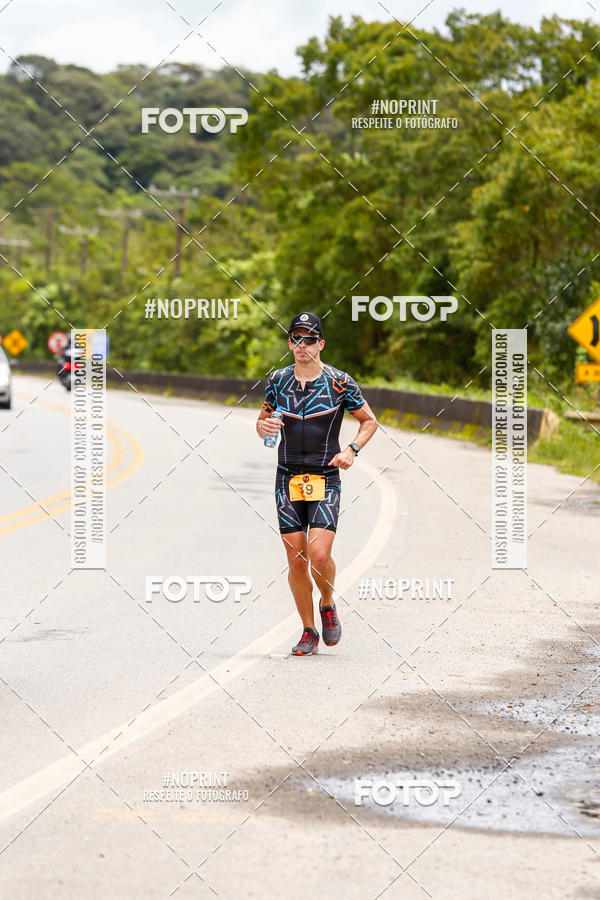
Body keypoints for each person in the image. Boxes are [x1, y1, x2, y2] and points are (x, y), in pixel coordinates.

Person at [256, 312, 378, 656]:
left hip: (325, 476)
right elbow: (263, 420)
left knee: (318, 554)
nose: (301, 345)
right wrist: (262, 428)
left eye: (309, 339)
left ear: (320, 344)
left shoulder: (340, 382)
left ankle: (327, 602)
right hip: (287, 477)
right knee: (296, 560)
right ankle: (308, 631)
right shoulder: (278, 380)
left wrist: (351, 450)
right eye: (295, 338)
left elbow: (369, 421)